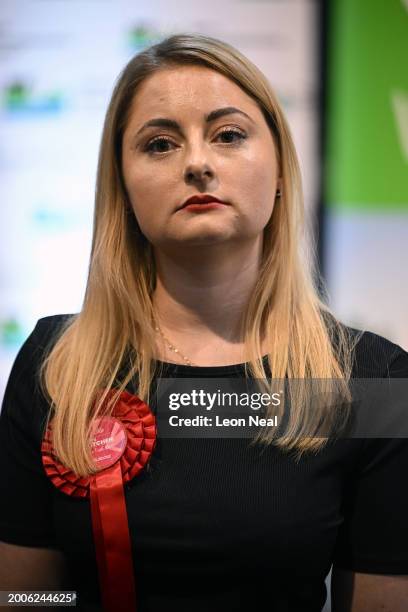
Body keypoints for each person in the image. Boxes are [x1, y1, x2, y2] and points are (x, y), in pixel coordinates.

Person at [1, 32, 408, 612]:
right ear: (122, 184)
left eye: (229, 135)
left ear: (280, 172)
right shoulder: (54, 362)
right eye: (160, 144)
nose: (196, 163)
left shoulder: (372, 380)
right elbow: (25, 597)